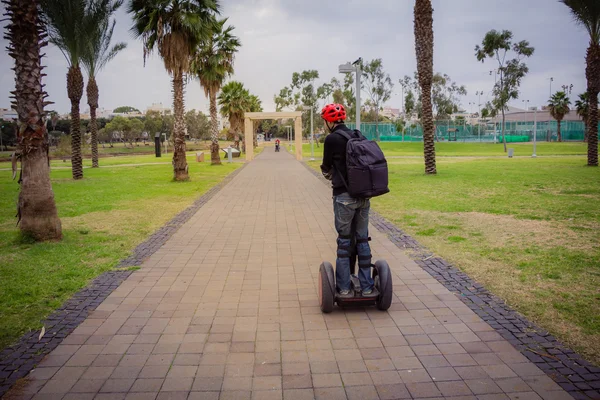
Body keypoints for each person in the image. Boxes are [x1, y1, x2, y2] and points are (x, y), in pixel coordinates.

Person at [319, 103, 377, 298]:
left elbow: (326, 167)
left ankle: (344, 289)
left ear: (328, 121)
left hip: (344, 197)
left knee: (344, 242)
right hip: (363, 197)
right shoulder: (357, 135)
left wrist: (332, 175)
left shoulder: (331, 139)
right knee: (362, 238)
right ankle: (367, 287)